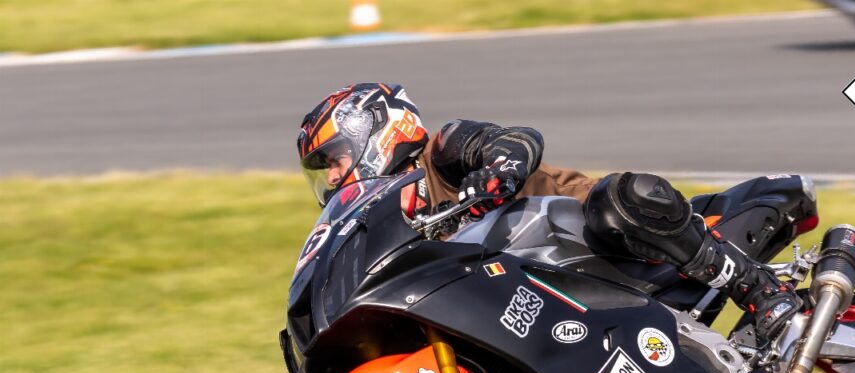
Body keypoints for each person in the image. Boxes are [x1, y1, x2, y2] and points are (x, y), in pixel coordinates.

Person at [296, 83, 801, 342]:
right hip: (536, 299)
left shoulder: (440, 151)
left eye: (333, 160)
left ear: (377, 131)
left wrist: (499, 168)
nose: (333, 178)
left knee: (622, 198)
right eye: (321, 171)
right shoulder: (385, 218)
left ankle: (760, 290)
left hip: (602, 241)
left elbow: (514, 139)